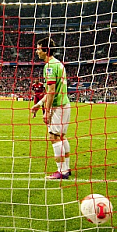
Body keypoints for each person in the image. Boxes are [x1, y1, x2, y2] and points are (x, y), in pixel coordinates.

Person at [36, 37, 71, 180]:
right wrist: (39, 105)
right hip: (65, 104)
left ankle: (61, 171)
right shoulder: (59, 64)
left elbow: (51, 90)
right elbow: (53, 89)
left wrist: (47, 111)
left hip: (58, 106)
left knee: (54, 137)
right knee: (61, 137)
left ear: (45, 50)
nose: (37, 51)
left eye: (38, 48)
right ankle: (66, 168)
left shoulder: (49, 66)